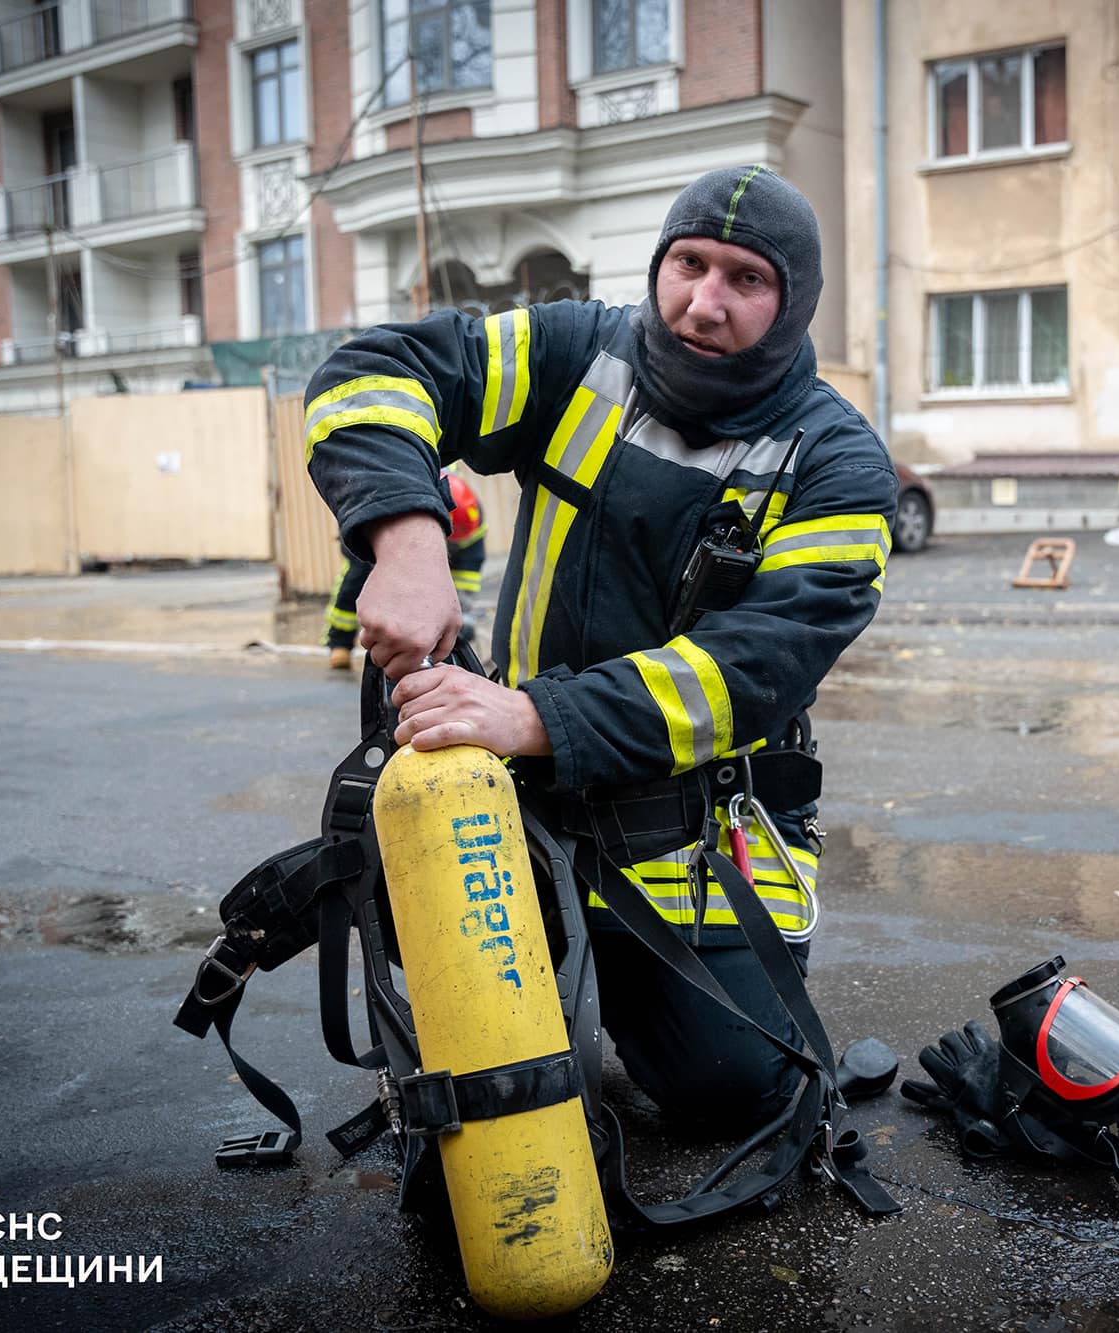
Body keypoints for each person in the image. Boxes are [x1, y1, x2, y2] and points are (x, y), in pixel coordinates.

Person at [303, 164, 895, 1129]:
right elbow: (366, 374)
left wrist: (535, 715)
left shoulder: (835, 462)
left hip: (692, 842)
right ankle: (549, 993)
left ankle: (614, 995)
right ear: (660, 262)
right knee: (481, 1069)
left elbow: (754, 669)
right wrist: (408, 539)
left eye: (747, 279)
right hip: (523, 811)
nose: (704, 302)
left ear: (794, 304)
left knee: (736, 1092)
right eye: (688, 263)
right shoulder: (579, 350)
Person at [323, 467, 485, 670]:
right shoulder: (401, 502)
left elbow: (468, 571)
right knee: (356, 579)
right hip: (381, 522)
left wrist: (463, 617)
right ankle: (339, 643)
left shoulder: (471, 514)